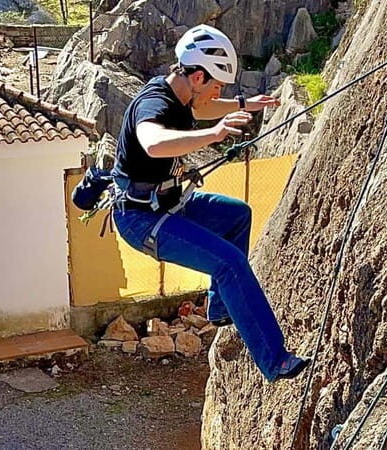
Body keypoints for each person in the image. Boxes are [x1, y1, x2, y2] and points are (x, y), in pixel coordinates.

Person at [110, 24, 309, 382]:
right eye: (216, 85)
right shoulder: (153, 103)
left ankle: (219, 307)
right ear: (198, 76)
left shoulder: (182, 95)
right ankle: (275, 359)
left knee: (237, 215)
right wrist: (216, 134)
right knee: (229, 263)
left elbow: (202, 110)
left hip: (168, 201)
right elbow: (153, 142)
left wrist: (245, 104)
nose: (218, 93)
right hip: (142, 218)